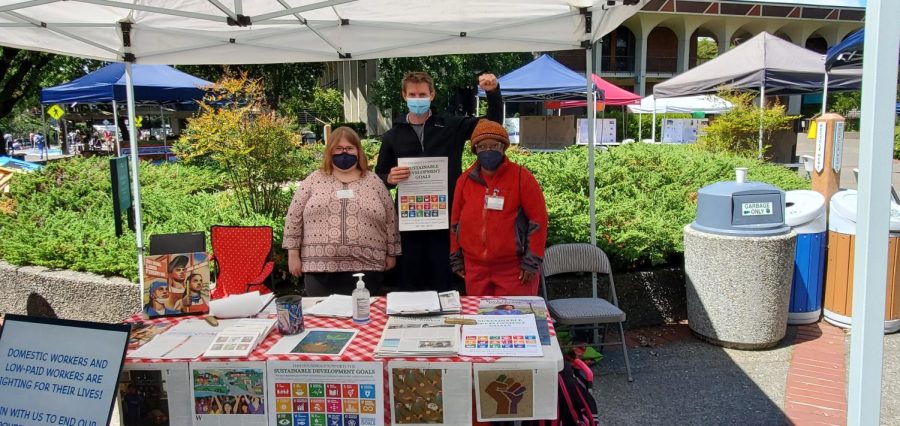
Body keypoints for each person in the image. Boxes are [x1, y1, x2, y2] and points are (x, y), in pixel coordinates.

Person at [375, 71, 502, 292]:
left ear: (432, 95)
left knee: (446, 282)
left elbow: (492, 126)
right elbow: (379, 177)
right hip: (410, 222)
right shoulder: (391, 136)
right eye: (412, 94)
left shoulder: (451, 126)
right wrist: (389, 177)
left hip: (447, 218)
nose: (418, 99)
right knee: (410, 282)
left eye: (422, 94)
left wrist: (492, 93)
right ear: (404, 96)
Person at [284, 126, 401, 297]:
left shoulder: (374, 181)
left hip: (366, 269)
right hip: (319, 270)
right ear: (329, 151)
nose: (343, 153)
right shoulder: (313, 180)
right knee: (323, 319)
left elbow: (391, 219)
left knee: (363, 319)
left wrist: (392, 253)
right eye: (338, 149)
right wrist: (292, 254)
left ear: (358, 151)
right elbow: (293, 218)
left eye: (349, 148)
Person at [450, 119, 548, 297]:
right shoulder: (464, 181)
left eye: (493, 145)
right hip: (475, 269)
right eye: (481, 146)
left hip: (515, 269)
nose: (487, 150)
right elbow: (455, 223)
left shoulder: (521, 177)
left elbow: (538, 221)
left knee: (516, 322)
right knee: (480, 322)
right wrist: (456, 257)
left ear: (503, 147)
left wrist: (532, 261)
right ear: (475, 150)